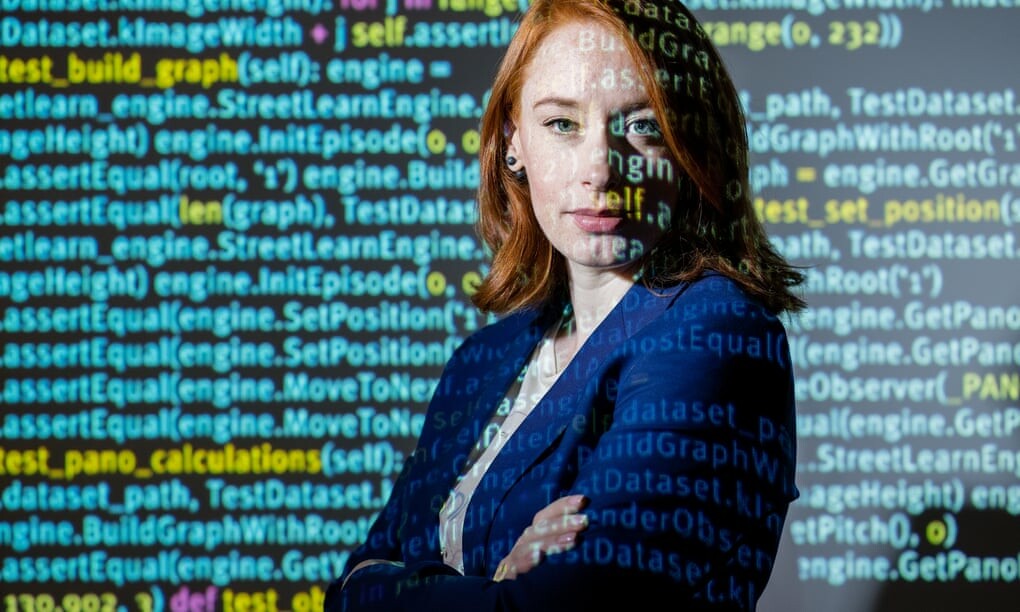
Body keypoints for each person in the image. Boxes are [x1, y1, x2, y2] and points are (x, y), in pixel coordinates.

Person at [325, 0, 806, 609]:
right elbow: (343, 589)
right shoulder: (484, 358)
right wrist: (490, 585)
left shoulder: (715, 332)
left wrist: (391, 588)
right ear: (513, 141)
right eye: (562, 124)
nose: (601, 170)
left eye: (644, 126)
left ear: (694, 147)